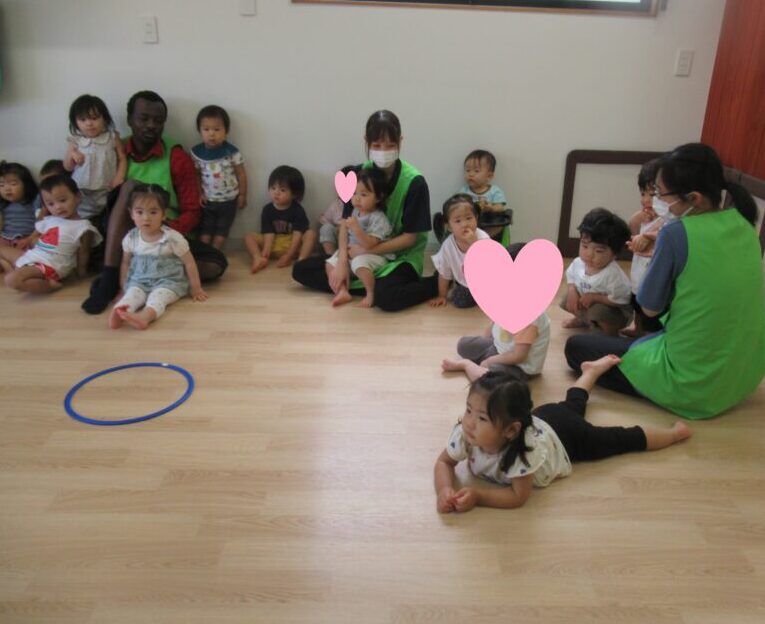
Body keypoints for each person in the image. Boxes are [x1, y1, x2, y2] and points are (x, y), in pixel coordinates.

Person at [565, 143, 765, 420]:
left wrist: (662, 257)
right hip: (744, 375)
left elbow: (649, 308)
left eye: (660, 193)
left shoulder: (676, 233)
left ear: (693, 198)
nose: (655, 200)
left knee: (576, 349)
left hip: (695, 386)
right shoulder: (744, 224)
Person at [434, 356, 692, 513]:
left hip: (568, 438)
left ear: (511, 431)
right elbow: (444, 462)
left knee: (621, 439)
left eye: (481, 418)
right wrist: (444, 488)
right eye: (468, 410)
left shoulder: (521, 451)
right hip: (544, 417)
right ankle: (590, 372)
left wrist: (479, 496)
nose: (469, 422)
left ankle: (673, 434)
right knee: (573, 404)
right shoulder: (467, 434)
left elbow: (517, 496)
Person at [82, 90, 227, 315]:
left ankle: (143, 277)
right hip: (125, 239)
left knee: (216, 264)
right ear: (130, 119)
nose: (151, 125)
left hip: (164, 237)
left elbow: (192, 210)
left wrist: (162, 231)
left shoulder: (176, 156)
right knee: (130, 187)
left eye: (158, 121)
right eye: (144, 118)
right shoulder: (115, 151)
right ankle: (110, 278)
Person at [292, 110, 438, 311]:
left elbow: (410, 239)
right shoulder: (356, 174)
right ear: (366, 141)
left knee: (388, 300)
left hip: (399, 257)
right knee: (301, 270)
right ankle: (367, 284)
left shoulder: (415, 182)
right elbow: (345, 223)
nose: (383, 151)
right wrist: (342, 262)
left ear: (400, 141)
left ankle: (434, 283)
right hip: (355, 252)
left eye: (390, 145)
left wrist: (368, 250)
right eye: (376, 145)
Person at [441, 241, 550, 381]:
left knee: (490, 378)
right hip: (499, 349)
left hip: (520, 366)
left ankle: (467, 365)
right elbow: (494, 324)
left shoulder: (530, 316)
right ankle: (480, 365)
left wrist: (489, 361)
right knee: (463, 344)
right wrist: (485, 343)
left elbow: (519, 356)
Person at [109, 184, 207, 330]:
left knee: (158, 298)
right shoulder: (131, 238)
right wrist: (124, 287)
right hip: (139, 281)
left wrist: (196, 288)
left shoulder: (173, 238)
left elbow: (189, 263)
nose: (146, 218)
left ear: (164, 214)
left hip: (168, 282)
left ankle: (145, 317)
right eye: (139, 212)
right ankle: (120, 311)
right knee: (132, 295)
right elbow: (125, 263)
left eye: (153, 212)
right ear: (131, 214)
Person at [1, 175, 101, 292]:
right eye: (51, 204)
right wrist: (28, 240)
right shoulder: (50, 219)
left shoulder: (83, 227)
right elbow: (36, 233)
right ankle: (13, 269)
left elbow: (83, 252)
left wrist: (81, 273)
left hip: (51, 265)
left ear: (78, 197)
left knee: (11, 280)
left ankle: (49, 285)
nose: (58, 207)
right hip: (33, 256)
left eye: (63, 200)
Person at [326, 168, 393, 308]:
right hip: (352, 253)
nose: (356, 198)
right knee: (330, 263)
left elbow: (370, 244)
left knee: (359, 263)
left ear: (378, 197)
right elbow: (344, 232)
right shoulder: (355, 211)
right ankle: (342, 291)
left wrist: (356, 228)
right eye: (354, 193)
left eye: (363, 194)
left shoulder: (378, 218)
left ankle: (370, 294)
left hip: (375, 256)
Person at [561, 208, 633, 336]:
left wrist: (595, 297)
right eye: (585, 246)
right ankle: (583, 320)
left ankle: (609, 333)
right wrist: (572, 290)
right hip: (589, 303)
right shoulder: (579, 262)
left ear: (614, 254)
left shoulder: (613, 275)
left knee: (598, 311)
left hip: (615, 311)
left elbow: (621, 299)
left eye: (599, 251)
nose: (589, 254)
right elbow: (571, 276)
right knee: (568, 298)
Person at [190, 105, 248, 250]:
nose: (211, 134)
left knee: (222, 230)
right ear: (200, 131)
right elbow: (196, 175)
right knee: (205, 230)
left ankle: (215, 254)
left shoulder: (232, 152)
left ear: (226, 131)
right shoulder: (197, 153)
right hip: (207, 201)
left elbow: (241, 174)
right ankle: (204, 253)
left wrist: (242, 194)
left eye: (217, 129)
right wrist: (199, 193)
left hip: (229, 201)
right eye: (206, 129)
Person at [244, 165, 316, 272]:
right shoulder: (267, 209)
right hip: (274, 243)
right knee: (248, 237)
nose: (276, 193)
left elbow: (297, 235)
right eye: (273, 188)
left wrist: (289, 255)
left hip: (292, 245)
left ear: (294, 194)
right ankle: (258, 258)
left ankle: (301, 261)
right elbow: (268, 232)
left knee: (311, 233)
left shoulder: (298, 210)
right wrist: (266, 250)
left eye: (282, 190)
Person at [623, 159, 666, 337]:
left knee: (649, 307)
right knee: (636, 300)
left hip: (652, 273)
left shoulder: (667, 218)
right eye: (643, 194)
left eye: (653, 194)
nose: (646, 200)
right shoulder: (646, 216)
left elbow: (664, 234)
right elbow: (632, 230)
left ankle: (648, 335)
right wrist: (637, 219)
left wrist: (647, 236)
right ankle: (637, 328)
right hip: (638, 269)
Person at [435, 149, 511, 245]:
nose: (470, 174)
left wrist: (491, 207)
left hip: (489, 223)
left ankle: (483, 240)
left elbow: (500, 207)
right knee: (452, 219)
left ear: (489, 176)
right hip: (468, 224)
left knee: (500, 226)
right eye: (467, 170)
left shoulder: (495, 191)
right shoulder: (464, 191)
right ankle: (449, 240)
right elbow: (456, 205)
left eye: (476, 171)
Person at [429, 193, 490, 308]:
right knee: (459, 300)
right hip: (467, 284)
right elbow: (444, 274)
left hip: (488, 281)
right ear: (449, 227)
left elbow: (490, 265)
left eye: (469, 218)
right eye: (458, 221)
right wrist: (442, 296)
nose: (465, 224)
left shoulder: (483, 238)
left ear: (476, 218)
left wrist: (474, 244)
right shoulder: (448, 245)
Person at [0, 162, 38, 251]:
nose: (7, 189)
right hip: (4, 238)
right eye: (1, 185)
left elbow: (42, 221)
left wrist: (30, 238)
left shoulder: (34, 199)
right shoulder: (3, 203)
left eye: (13, 184)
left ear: (26, 185)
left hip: (27, 238)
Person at [318, 165, 354, 256]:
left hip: (354, 240)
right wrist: (336, 227)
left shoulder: (361, 205)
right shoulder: (336, 205)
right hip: (338, 238)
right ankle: (331, 255)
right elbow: (325, 220)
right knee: (326, 228)